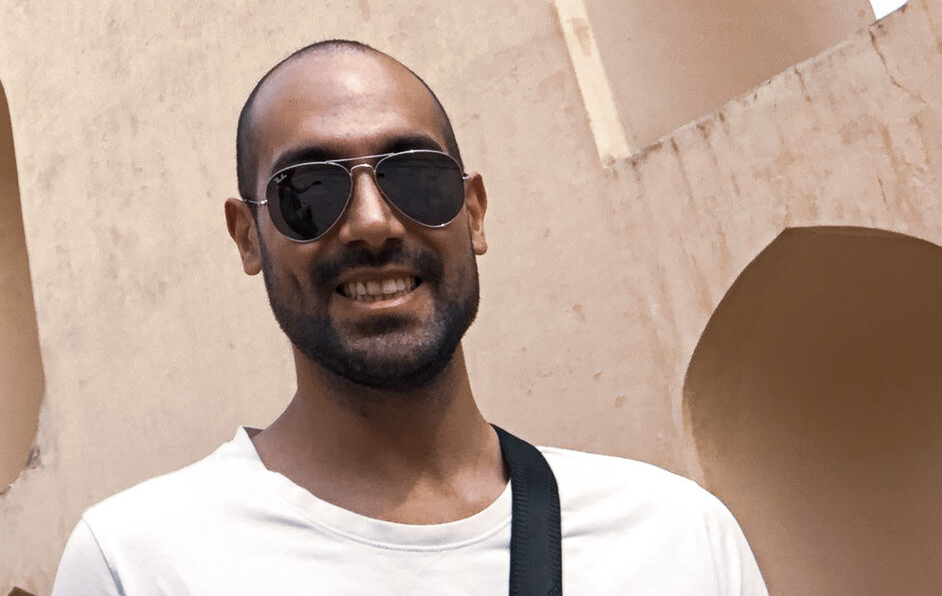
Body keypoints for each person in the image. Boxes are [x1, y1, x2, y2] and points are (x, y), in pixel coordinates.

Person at [52, 39, 767, 595]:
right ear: (248, 238)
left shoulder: (675, 536)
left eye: (414, 177)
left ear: (474, 213)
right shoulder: (138, 563)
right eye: (309, 191)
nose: (370, 223)